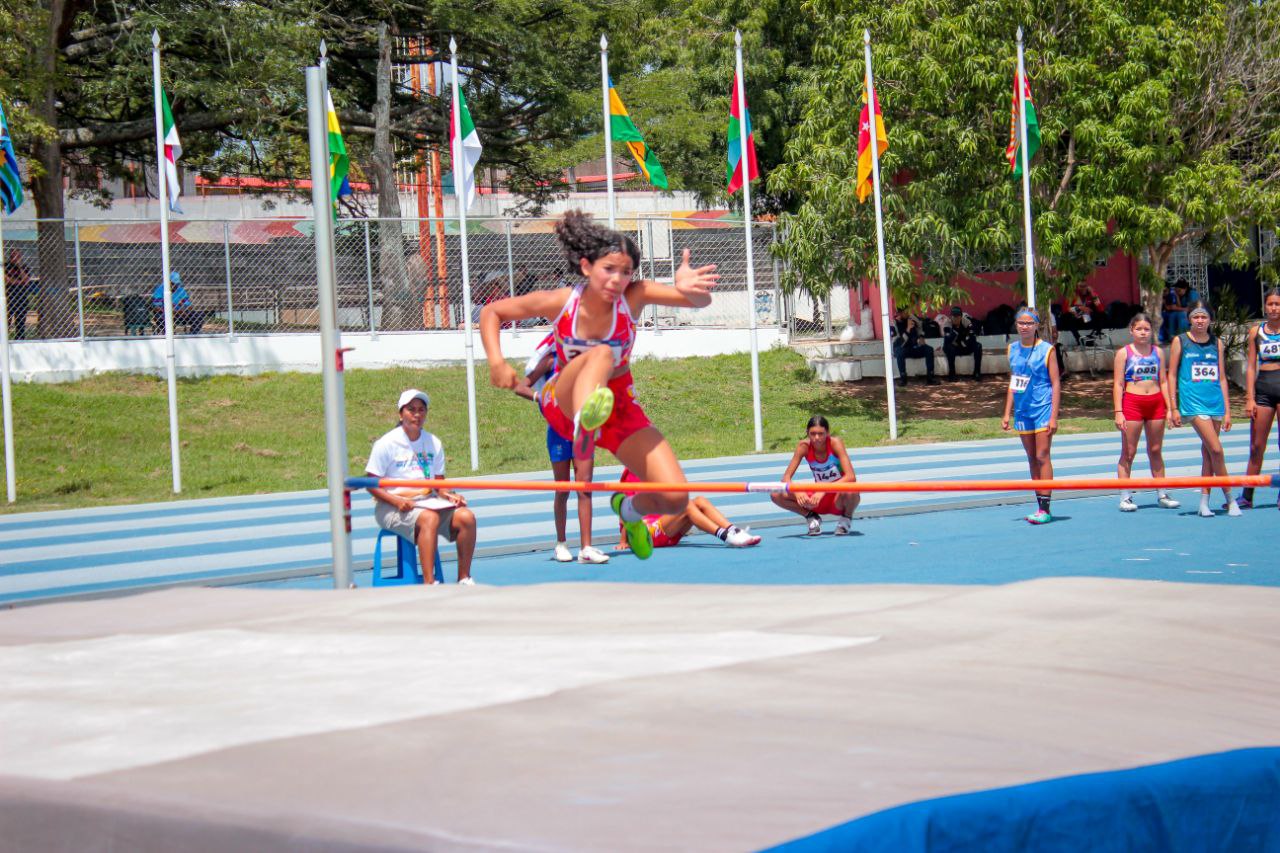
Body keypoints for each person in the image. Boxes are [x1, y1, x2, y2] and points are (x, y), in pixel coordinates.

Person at [479, 210, 718, 560]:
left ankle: (627, 510)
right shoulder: (562, 302)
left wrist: (688, 289)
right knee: (602, 353)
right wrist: (497, 362)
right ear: (587, 266)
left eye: (626, 272)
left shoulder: (634, 296)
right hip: (564, 400)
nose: (617, 280)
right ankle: (584, 421)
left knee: (675, 496)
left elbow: (699, 301)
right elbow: (493, 313)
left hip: (618, 407)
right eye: (609, 269)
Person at [364, 389, 478, 584]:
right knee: (429, 518)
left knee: (466, 517)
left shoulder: (433, 442)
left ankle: (464, 578)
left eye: (421, 410)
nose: (417, 415)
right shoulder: (386, 444)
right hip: (392, 506)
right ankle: (429, 582)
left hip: (428, 502)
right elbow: (370, 483)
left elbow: (439, 484)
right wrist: (397, 500)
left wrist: (450, 496)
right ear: (401, 414)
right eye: (411, 410)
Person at [514, 333, 608, 564]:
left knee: (584, 488)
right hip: (557, 430)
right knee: (563, 489)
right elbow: (520, 387)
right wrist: (541, 396)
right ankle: (561, 543)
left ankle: (586, 547)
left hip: (582, 428)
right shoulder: (550, 359)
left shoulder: (588, 360)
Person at [1168, 302, 1240, 518]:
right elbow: (1171, 375)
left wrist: (1227, 410)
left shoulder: (1217, 342)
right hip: (1193, 403)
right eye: (1196, 317)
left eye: (1204, 317)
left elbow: (1221, 377)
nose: (1200, 321)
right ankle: (1230, 497)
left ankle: (1204, 501)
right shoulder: (1180, 341)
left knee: (1209, 454)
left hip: (1215, 401)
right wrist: (1173, 407)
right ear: (1189, 318)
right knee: (1216, 450)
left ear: (1210, 320)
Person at [1111, 313, 1180, 512]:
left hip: (1156, 402)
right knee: (1129, 452)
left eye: (1146, 329)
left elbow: (1164, 381)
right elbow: (1118, 383)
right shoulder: (1124, 353)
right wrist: (1118, 411)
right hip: (1133, 402)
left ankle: (1162, 493)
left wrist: (1169, 408)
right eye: (1139, 329)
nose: (1143, 332)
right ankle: (1125, 496)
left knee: (1156, 449)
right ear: (1131, 330)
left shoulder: (1157, 352)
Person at [1001, 307, 1061, 524]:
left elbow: (1055, 383)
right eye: (1021, 323)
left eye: (1029, 323)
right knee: (1031, 458)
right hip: (1023, 411)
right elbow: (1014, 382)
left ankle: (1046, 507)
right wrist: (1007, 413)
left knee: (1042, 455)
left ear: (1037, 325)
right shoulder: (1012, 349)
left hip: (1043, 407)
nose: (1024, 327)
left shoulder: (1047, 350)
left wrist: (1054, 416)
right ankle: (1039, 505)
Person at [616, 469, 761, 551]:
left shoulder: (657, 469)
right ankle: (726, 537)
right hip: (646, 534)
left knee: (699, 501)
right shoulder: (631, 474)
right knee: (687, 506)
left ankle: (734, 531)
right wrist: (624, 541)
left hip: (663, 527)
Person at [770, 415, 860, 535]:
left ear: (827, 433)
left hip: (838, 499)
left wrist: (824, 489)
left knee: (852, 489)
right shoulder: (804, 447)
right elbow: (786, 478)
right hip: (816, 500)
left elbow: (850, 476)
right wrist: (797, 491)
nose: (816, 438)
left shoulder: (835, 443)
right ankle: (811, 517)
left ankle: (846, 519)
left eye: (821, 434)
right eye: (813, 434)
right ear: (807, 433)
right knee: (776, 494)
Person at [1240, 288, 1280, 509]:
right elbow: (1250, 366)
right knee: (1256, 446)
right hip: (1263, 388)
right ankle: (1247, 494)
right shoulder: (1256, 331)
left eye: (1277, 304)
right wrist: (1249, 398)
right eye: (1270, 304)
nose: (1274, 308)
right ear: (1265, 306)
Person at [892, 307, 939, 385]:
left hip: (914, 347)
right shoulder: (894, 323)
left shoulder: (912, 318)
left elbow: (920, 325)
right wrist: (908, 329)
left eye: (908, 311)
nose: (907, 313)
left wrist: (921, 336)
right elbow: (899, 343)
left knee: (929, 349)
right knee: (899, 352)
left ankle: (930, 378)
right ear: (899, 313)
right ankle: (903, 379)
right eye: (905, 312)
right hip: (902, 348)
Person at [942, 306, 983, 380]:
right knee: (950, 347)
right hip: (953, 348)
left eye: (957, 316)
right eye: (953, 316)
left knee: (978, 346)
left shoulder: (966, 322)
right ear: (950, 316)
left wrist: (962, 342)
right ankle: (952, 374)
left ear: (961, 316)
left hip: (963, 345)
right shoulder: (947, 324)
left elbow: (972, 338)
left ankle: (977, 373)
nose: (955, 318)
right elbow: (948, 340)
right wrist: (960, 339)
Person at [3, 248, 34, 340]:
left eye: (17, 256)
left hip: (21, 298)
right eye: (13, 256)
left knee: (20, 324)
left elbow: (26, 280)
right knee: (6, 322)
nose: (15, 258)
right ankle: (4, 341)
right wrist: (20, 282)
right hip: (9, 298)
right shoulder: (6, 266)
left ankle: (20, 341)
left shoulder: (24, 268)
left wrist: (19, 267)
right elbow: (6, 280)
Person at [1160, 279, 1193, 344]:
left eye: (1179, 291)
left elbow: (1191, 309)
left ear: (1185, 289)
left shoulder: (1191, 294)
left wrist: (1173, 307)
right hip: (1175, 313)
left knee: (1177, 315)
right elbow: (1177, 306)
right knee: (1172, 315)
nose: (1177, 292)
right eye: (1176, 291)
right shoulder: (1178, 295)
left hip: (1187, 314)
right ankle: (1171, 337)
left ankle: (1179, 336)